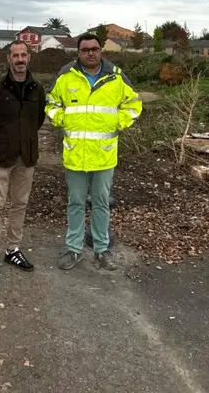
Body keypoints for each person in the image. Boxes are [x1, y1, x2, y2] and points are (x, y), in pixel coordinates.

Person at [46, 32, 143, 272]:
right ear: (78, 53)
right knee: (75, 203)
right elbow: (51, 103)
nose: (90, 53)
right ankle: (74, 249)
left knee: (101, 203)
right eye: (85, 49)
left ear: (101, 51)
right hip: (76, 154)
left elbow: (134, 105)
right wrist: (62, 120)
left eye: (95, 49)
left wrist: (117, 122)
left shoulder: (116, 78)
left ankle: (102, 249)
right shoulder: (66, 78)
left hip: (104, 154)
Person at [0, 41, 47, 283]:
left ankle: (13, 250)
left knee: (20, 203)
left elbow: (38, 119)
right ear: (8, 58)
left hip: (26, 156)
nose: (20, 59)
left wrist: (23, 140)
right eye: (15, 55)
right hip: (0, 156)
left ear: (29, 58)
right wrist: (1, 140)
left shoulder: (37, 88)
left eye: (23, 55)